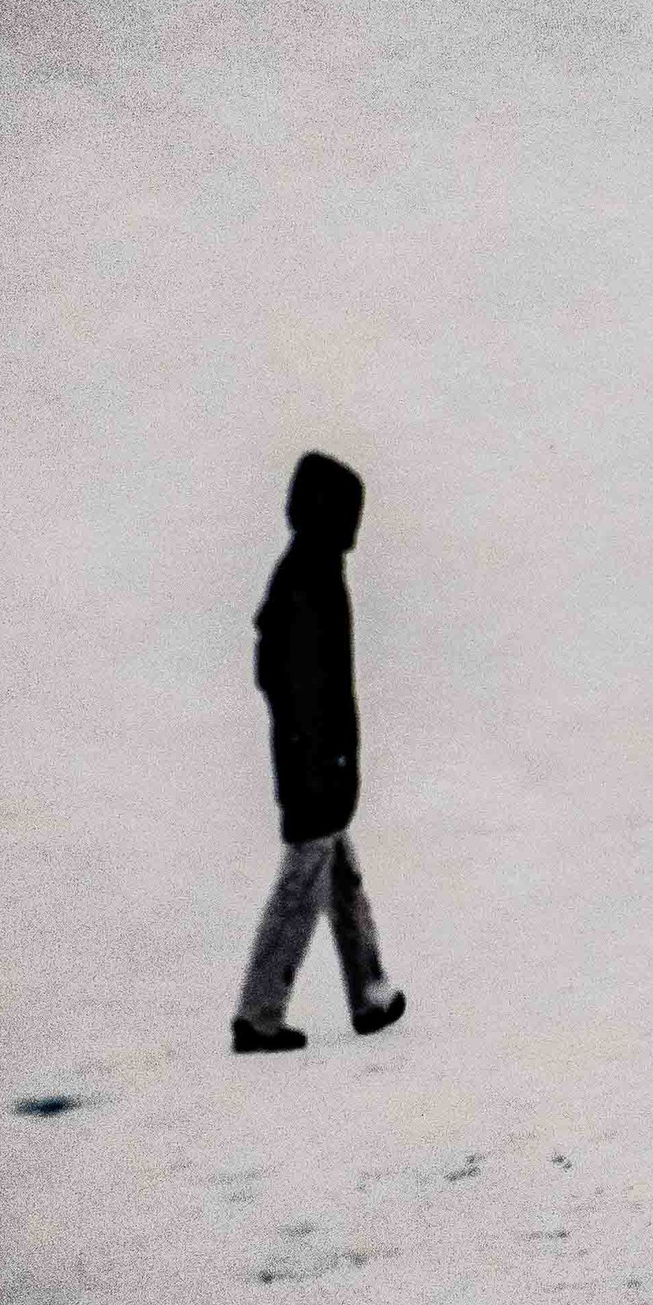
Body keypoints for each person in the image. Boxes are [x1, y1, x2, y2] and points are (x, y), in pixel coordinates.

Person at [231, 451, 407, 1053]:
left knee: (339, 875)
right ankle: (259, 1013)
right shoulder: (310, 576)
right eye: (351, 509)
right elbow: (305, 686)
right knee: (303, 885)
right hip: (315, 766)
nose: (357, 524)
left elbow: (274, 669)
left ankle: (370, 992)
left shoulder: (309, 568)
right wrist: (325, 758)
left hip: (315, 761)